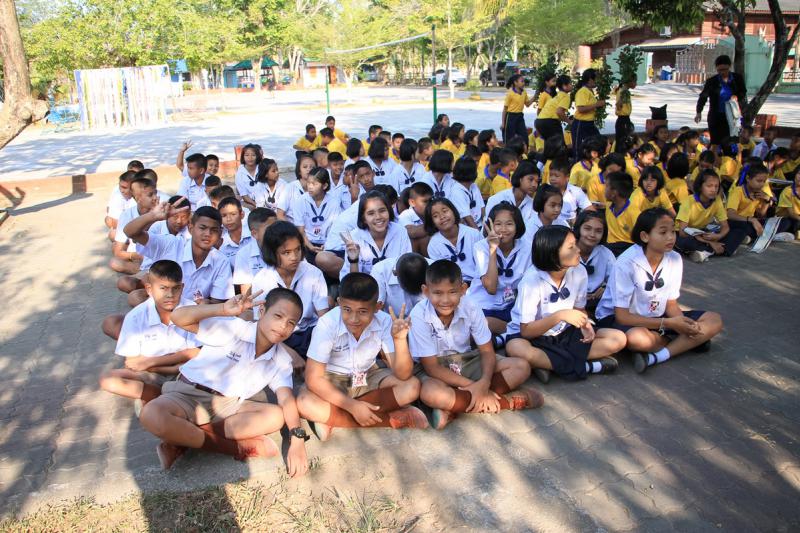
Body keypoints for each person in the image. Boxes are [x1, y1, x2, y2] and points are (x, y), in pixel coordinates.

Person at [140, 287, 309, 475]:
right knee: (151, 414)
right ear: (262, 311)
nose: (283, 326)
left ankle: (181, 439)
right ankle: (234, 448)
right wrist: (222, 309)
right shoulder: (234, 328)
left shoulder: (281, 359)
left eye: (291, 323)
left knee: (276, 416)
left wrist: (297, 440)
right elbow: (178, 317)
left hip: (228, 406)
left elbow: (286, 399)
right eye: (278, 316)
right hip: (188, 394)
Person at [410, 260, 543, 429]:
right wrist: (475, 387)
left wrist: (484, 383)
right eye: (438, 293)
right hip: (434, 369)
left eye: (452, 292)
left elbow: (487, 351)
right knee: (431, 394)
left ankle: (454, 407)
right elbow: (432, 368)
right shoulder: (419, 315)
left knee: (521, 367)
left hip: (466, 359)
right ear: (426, 291)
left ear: (463, 290)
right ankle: (505, 402)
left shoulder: (471, 306)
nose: (445, 300)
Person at [296, 273, 429, 440]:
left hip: (368, 374)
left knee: (412, 386)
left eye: (363, 311)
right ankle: (390, 419)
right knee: (304, 403)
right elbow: (313, 378)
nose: (354, 319)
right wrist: (353, 406)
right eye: (347, 310)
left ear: (377, 307)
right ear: (339, 303)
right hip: (332, 379)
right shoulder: (327, 324)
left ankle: (333, 418)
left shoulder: (384, 321)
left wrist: (399, 340)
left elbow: (403, 375)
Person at [595, 208, 724, 374]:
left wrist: (682, 322)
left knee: (714, 320)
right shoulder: (626, 263)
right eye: (663, 232)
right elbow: (622, 316)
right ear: (645, 236)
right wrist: (670, 324)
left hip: (657, 315)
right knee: (637, 339)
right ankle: (687, 343)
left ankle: (657, 356)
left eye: (673, 231)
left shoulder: (675, 259)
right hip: (618, 317)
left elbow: (670, 303)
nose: (670, 237)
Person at [505, 226, 625, 383]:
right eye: (571, 247)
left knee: (618, 338)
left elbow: (579, 309)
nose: (578, 250)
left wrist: (585, 324)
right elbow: (526, 330)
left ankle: (547, 364)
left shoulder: (579, 271)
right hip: (533, 335)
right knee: (516, 348)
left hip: (564, 332)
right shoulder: (532, 280)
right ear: (553, 253)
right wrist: (560, 316)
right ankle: (587, 367)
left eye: (575, 244)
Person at [99, 260, 201, 407]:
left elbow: (196, 353)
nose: (170, 295)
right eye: (163, 288)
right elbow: (132, 363)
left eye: (176, 288)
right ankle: (160, 397)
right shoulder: (135, 317)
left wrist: (150, 362)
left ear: (182, 287)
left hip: (186, 370)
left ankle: (158, 401)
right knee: (108, 379)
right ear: (149, 289)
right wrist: (162, 366)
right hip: (153, 373)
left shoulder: (191, 309)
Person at [125, 203, 233, 307]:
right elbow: (130, 232)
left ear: (220, 233)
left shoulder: (221, 261)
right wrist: (153, 216)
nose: (208, 234)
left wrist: (207, 304)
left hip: (193, 314)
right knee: (134, 298)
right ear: (191, 228)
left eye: (214, 230)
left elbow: (218, 302)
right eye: (202, 228)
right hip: (162, 308)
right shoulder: (171, 244)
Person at [251, 222, 329, 359]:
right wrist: (288, 352)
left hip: (309, 333)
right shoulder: (262, 279)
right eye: (286, 253)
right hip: (276, 337)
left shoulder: (313, 273)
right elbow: (260, 325)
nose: (294, 257)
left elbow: (324, 318)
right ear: (272, 253)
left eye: (297, 250)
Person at [466, 203, 531, 347]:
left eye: (509, 224)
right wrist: (493, 249)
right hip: (484, 305)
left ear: (517, 225)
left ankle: (503, 336)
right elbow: (491, 288)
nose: (503, 229)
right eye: (498, 224)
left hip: (511, 304)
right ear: (489, 226)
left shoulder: (527, 247)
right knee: (479, 326)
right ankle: (510, 333)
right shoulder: (480, 247)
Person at [339, 190, 412, 279]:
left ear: (389, 212)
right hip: (366, 286)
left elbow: (406, 268)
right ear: (363, 218)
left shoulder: (400, 231)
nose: (378, 217)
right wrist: (354, 260)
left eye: (382, 211)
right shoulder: (354, 237)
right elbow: (353, 281)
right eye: (371, 213)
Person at [674, 169, 737, 262]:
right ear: (700, 187)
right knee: (685, 242)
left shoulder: (717, 200)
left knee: (736, 232)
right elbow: (683, 232)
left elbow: (725, 226)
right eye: (709, 186)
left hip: (701, 232)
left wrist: (719, 236)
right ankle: (721, 249)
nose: (713, 190)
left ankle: (705, 251)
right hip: (685, 234)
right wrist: (710, 242)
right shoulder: (688, 202)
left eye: (716, 186)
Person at [425, 197, 482, 284]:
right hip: (453, 286)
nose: (442, 217)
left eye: (445, 211)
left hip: (479, 282)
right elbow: (441, 274)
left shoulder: (473, 234)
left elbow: (484, 265)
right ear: (432, 222)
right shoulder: (433, 245)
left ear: (454, 212)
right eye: (435, 216)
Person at [110, 176, 159, 275]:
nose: (155, 197)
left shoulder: (162, 212)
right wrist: (135, 256)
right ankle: (147, 274)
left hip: (160, 258)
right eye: (150, 195)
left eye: (156, 193)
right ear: (138, 199)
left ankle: (149, 275)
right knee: (115, 262)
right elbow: (118, 252)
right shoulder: (127, 215)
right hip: (138, 259)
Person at [695, 55, 746, 150]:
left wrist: (737, 96)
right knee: (715, 143)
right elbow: (703, 97)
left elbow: (743, 91)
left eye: (725, 69)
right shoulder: (712, 81)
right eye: (719, 70)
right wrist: (699, 112)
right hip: (716, 117)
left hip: (732, 116)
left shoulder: (737, 78)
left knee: (732, 143)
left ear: (729, 67)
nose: (722, 72)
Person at [292, 167, 342, 262]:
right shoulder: (300, 201)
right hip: (307, 242)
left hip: (328, 243)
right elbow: (300, 230)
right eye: (308, 183)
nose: (310, 187)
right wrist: (310, 246)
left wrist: (327, 245)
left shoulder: (334, 202)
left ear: (325, 186)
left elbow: (335, 228)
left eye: (314, 184)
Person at [573, 210, 614, 314]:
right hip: (571, 303)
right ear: (578, 228)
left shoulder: (606, 254)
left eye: (598, 231)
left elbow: (616, 278)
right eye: (587, 229)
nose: (592, 234)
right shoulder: (567, 251)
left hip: (597, 302)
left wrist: (605, 286)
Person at [725, 163, 774, 249]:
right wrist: (751, 220)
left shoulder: (759, 193)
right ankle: (747, 236)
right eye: (759, 181)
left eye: (764, 181)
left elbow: (761, 214)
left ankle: (745, 237)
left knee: (774, 223)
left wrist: (766, 201)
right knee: (747, 227)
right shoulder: (738, 191)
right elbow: (730, 215)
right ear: (748, 178)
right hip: (735, 221)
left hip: (749, 222)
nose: (762, 184)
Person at [232, 208, 278, 294]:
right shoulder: (243, 254)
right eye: (270, 229)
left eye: (277, 227)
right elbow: (246, 295)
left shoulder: (285, 247)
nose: (276, 232)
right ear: (254, 234)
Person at [371, 253, 430, 318]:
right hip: (391, 320)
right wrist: (389, 323)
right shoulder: (380, 270)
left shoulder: (434, 267)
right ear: (395, 273)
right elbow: (377, 308)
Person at [572, 68, 606, 160]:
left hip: (589, 123)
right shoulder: (583, 91)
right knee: (579, 148)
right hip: (581, 123)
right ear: (590, 79)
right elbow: (580, 109)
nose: (598, 81)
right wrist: (596, 104)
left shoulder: (589, 91)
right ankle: (577, 165)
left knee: (598, 142)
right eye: (597, 78)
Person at [604, 171, 640, 257]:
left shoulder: (634, 213)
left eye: (606, 186)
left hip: (627, 249)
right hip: (609, 247)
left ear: (614, 193)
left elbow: (639, 238)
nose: (604, 189)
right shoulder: (609, 206)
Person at [548, 157, 593, 224]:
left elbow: (590, 210)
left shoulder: (576, 191)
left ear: (567, 177)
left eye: (556, 176)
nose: (552, 178)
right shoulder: (545, 191)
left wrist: (579, 223)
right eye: (551, 175)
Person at [397, 181, 433, 255]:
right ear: (412, 202)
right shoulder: (405, 215)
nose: (430, 204)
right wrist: (437, 224)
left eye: (431, 200)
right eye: (425, 201)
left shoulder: (434, 211)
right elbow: (412, 232)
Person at [278, 153, 315, 224]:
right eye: (305, 167)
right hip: (292, 227)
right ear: (299, 171)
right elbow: (280, 215)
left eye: (312, 167)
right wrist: (293, 229)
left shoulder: (319, 188)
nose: (309, 169)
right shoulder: (290, 187)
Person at [535, 74, 572, 142]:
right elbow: (559, 112)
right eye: (570, 83)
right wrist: (569, 122)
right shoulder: (565, 96)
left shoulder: (557, 96)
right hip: (549, 122)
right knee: (559, 144)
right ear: (564, 86)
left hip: (539, 121)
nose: (572, 85)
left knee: (550, 144)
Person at [451, 155, 485, 228]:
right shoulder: (456, 191)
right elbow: (467, 218)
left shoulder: (474, 186)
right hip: (468, 228)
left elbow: (482, 209)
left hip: (480, 225)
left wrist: (487, 228)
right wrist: (479, 234)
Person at [217, 197, 252, 268]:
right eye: (224, 215)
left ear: (242, 215)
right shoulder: (222, 244)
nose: (228, 219)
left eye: (233, 214)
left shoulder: (253, 235)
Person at [501, 74, 535, 142]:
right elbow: (505, 109)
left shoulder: (524, 92)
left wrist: (535, 97)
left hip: (520, 116)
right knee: (510, 139)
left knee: (524, 137)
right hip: (510, 117)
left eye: (524, 81)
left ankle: (524, 148)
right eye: (521, 81)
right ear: (515, 83)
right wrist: (503, 123)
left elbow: (527, 104)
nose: (523, 83)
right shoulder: (510, 93)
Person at [106, 171, 137, 238]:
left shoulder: (143, 197)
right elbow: (116, 223)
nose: (122, 191)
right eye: (120, 187)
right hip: (129, 230)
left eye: (125, 188)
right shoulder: (117, 197)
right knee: (113, 234)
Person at [775, 166, 800, 240]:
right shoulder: (787, 191)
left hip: (797, 218)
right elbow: (791, 214)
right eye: (799, 174)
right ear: (795, 174)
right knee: (788, 223)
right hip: (785, 218)